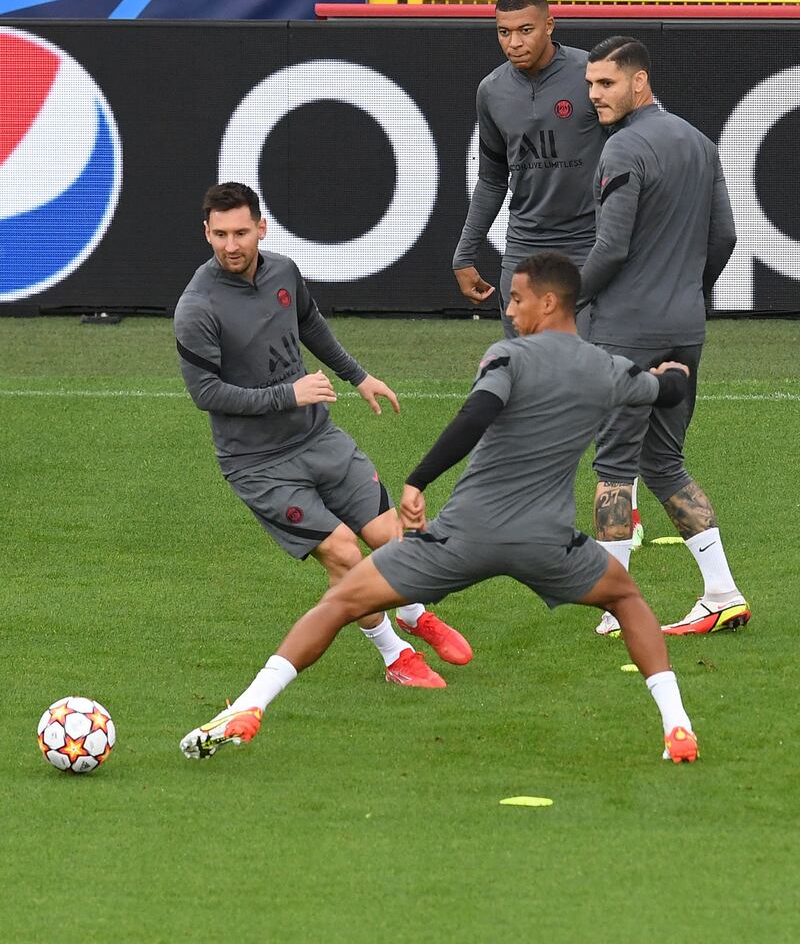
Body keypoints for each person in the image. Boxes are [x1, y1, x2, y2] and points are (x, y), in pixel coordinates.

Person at [180, 252, 699, 766]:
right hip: (549, 545)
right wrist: (674, 370)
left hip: (463, 538)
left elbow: (477, 413)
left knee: (339, 603)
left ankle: (249, 707)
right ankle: (678, 725)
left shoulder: (507, 357)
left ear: (548, 301)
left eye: (517, 300)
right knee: (628, 600)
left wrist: (419, 479)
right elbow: (666, 391)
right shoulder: (608, 369)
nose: (511, 311)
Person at [174, 182, 472, 690]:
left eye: (241, 232)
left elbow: (310, 325)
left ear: (261, 228)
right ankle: (396, 655)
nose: (231, 245)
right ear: (205, 233)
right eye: (220, 234)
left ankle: (411, 611)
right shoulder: (197, 307)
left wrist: (359, 376)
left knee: (392, 540)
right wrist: (288, 396)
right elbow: (207, 394)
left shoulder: (285, 272)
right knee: (344, 554)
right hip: (259, 464)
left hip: (318, 438)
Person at [581, 36, 749, 638]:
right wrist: (688, 291)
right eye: (591, 84)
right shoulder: (700, 143)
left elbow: (611, 249)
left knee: (615, 467)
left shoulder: (624, 147)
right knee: (664, 460)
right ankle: (722, 591)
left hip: (627, 332)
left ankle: (616, 602)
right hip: (685, 327)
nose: (594, 94)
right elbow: (724, 236)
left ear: (639, 82)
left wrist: (559, 302)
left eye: (606, 84)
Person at [452, 0, 607, 340]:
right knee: (526, 370)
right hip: (523, 247)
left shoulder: (591, 74)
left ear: (549, 26)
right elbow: (492, 179)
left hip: (590, 244)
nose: (514, 43)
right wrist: (464, 254)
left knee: (590, 370)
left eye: (526, 30)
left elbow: (630, 157)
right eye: (504, 32)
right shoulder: (490, 91)